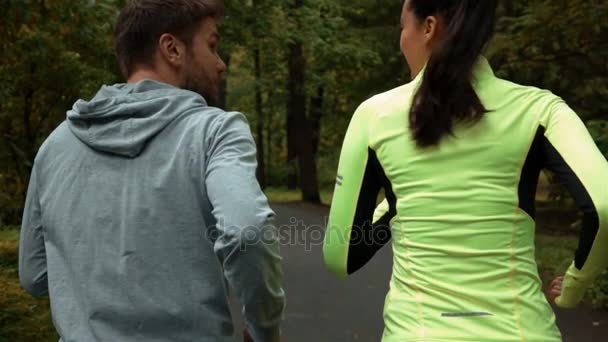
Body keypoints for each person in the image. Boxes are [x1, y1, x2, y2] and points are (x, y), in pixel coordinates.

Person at [323, 0, 608, 341]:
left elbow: (341, 256)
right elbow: (604, 206)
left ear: (428, 28)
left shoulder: (373, 116)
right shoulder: (540, 109)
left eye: (403, 26)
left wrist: (396, 208)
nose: (401, 39)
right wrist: (573, 288)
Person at [18, 1, 285, 341]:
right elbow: (247, 230)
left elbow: (35, 274)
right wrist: (265, 331)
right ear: (172, 48)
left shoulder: (57, 145)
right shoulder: (214, 131)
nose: (220, 64)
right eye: (212, 46)